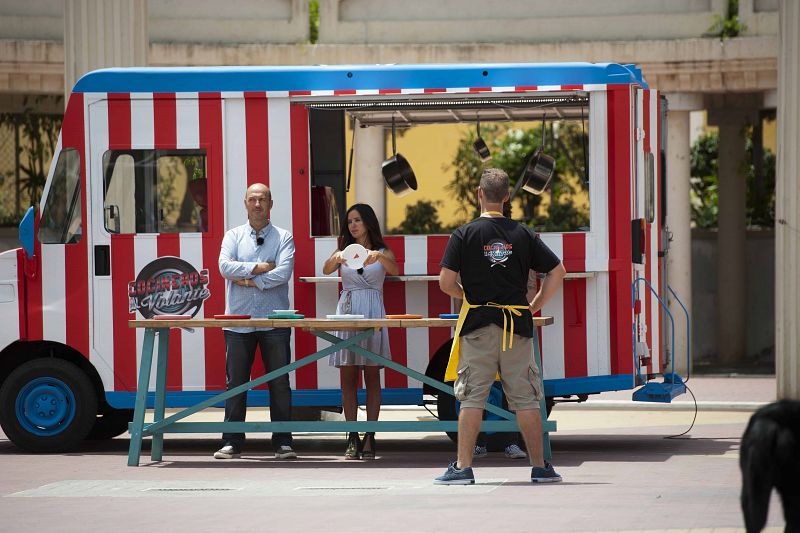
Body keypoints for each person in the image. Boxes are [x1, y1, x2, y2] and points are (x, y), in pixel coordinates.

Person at [435, 168, 566, 484]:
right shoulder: (524, 234)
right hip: (516, 325)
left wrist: (465, 294)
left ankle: (463, 468)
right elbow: (558, 271)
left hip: (478, 325)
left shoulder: (463, 235)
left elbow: (445, 283)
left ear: (479, 193)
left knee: (472, 398)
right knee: (525, 398)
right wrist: (533, 306)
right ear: (507, 197)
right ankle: (540, 467)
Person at [214, 183, 296, 460]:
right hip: (238, 320)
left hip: (274, 320)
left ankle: (283, 441)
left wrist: (247, 280)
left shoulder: (284, 237)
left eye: (262, 199)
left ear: (271, 204)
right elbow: (224, 267)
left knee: (280, 382)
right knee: (236, 382)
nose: (257, 204)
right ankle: (232, 441)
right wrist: (261, 268)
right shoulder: (233, 235)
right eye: (253, 199)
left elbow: (283, 273)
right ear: (245, 203)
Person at [322, 203, 399, 460]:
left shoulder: (381, 250)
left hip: (373, 308)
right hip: (348, 308)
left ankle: (371, 435)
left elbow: (395, 270)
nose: (353, 225)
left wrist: (379, 257)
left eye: (357, 220)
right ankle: (352, 435)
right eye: (350, 221)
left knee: (372, 375)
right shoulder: (344, 249)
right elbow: (325, 269)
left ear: (368, 222)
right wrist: (335, 258)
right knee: (348, 375)